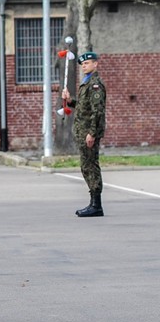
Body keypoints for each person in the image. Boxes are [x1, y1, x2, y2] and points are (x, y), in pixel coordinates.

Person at [62, 51, 106, 217]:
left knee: (90, 166)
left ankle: (96, 205)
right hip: (83, 131)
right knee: (86, 166)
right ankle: (93, 203)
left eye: (87, 63)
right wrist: (70, 100)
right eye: (82, 64)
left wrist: (92, 134)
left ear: (95, 64)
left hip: (89, 132)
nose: (84, 66)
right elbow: (83, 106)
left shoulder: (95, 84)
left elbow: (97, 111)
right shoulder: (86, 83)